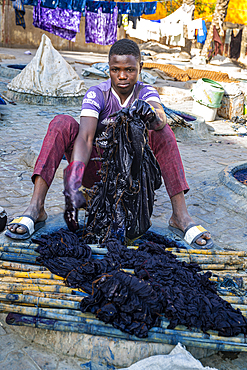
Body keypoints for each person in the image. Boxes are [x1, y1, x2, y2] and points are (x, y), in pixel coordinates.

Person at [6, 39, 213, 249]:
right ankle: (36, 208)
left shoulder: (145, 92)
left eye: (130, 70)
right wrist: (73, 183)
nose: (122, 76)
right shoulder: (97, 94)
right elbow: (86, 138)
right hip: (96, 175)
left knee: (163, 132)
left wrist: (150, 115)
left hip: (130, 180)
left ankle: (180, 215)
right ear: (109, 70)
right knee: (61, 123)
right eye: (116, 70)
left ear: (140, 68)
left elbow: (160, 117)